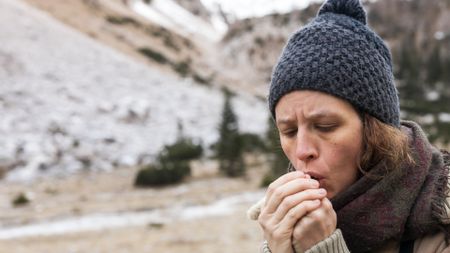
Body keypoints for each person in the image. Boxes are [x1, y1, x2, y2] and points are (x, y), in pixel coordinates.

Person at [247, 0, 450, 252]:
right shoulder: (287, 223)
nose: (302, 151)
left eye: (325, 126)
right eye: (288, 131)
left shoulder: (440, 220)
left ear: (376, 130)